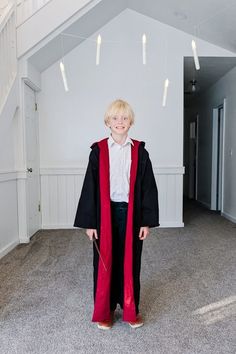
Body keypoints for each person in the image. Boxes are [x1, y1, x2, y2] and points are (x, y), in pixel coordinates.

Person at [74, 99, 159, 330]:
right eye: (115, 118)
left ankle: (131, 309)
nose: (119, 122)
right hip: (105, 214)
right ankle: (106, 310)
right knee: (104, 263)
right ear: (107, 122)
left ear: (130, 122)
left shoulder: (140, 151)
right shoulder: (98, 151)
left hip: (131, 214)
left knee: (130, 261)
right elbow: (89, 187)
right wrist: (90, 223)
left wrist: (146, 222)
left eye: (124, 118)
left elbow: (148, 188)